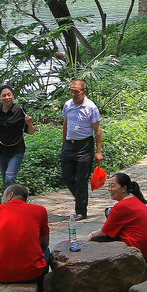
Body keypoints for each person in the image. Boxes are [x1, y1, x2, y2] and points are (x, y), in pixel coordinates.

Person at [0, 184, 50, 292]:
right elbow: (45, 243)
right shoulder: (40, 210)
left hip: (1, 274)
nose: (1, 199)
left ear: (10, 195)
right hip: (33, 273)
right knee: (45, 250)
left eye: (3, 196)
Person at [86, 172, 147, 261]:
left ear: (124, 188)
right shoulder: (135, 199)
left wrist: (91, 235)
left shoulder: (122, 206)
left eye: (112, 186)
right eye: (108, 186)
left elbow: (105, 232)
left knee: (95, 240)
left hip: (138, 250)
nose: (109, 189)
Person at [61, 79, 102, 221]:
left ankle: (81, 211)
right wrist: (64, 142)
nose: (73, 94)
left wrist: (98, 151)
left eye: (76, 91)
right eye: (71, 91)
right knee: (66, 176)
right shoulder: (67, 104)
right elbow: (65, 124)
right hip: (69, 145)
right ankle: (80, 198)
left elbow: (97, 130)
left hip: (85, 145)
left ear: (84, 91)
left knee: (81, 179)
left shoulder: (91, 107)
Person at [0, 85, 35, 190]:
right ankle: (11, 201)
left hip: (16, 150)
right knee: (5, 178)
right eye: (4, 95)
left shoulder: (19, 111)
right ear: (0, 98)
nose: (7, 97)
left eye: (9, 95)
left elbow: (31, 131)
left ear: (13, 96)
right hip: (1, 150)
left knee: (10, 177)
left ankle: (8, 203)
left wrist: (29, 123)